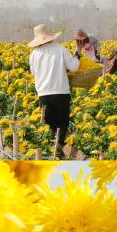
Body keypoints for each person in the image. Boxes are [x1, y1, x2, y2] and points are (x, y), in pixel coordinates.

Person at [28, 24, 80, 158]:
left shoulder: (34, 54)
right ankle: (60, 146)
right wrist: (77, 54)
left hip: (43, 94)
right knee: (62, 122)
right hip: (61, 92)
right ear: (50, 37)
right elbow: (74, 67)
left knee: (49, 123)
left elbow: (33, 72)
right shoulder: (60, 49)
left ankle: (53, 148)